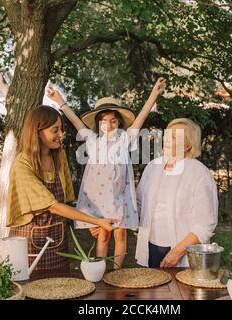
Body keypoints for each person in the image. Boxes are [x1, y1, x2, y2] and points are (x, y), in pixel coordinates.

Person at [47, 78, 166, 268]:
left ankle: (117, 271)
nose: (108, 126)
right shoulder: (93, 141)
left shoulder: (124, 139)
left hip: (120, 197)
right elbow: (75, 120)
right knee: (102, 235)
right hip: (100, 201)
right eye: (103, 122)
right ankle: (101, 271)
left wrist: (154, 94)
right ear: (98, 124)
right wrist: (59, 101)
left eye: (112, 121)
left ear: (118, 123)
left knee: (120, 235)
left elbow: (142, 117)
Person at [6, 105, 116, 271]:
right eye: (55, 130)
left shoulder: (59, 156)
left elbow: (68, 201)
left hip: (58, 237)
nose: (61, 135)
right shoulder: (22, 165)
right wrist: (96, 221)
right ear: (37, 131)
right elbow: (53, 206)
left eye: (61, 129)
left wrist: (91, 222)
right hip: (29, 242)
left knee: (60, 287)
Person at [135, 118, 218, 268]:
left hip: (180, 251)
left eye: (173, 137)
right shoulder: (153, 167)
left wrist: (177, 252)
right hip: (149, 247)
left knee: (179, 291)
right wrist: (107, 221)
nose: (166, 140)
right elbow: (138, 204)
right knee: (150, 290)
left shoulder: (199, 173)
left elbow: (205, 223)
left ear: (187, 146)